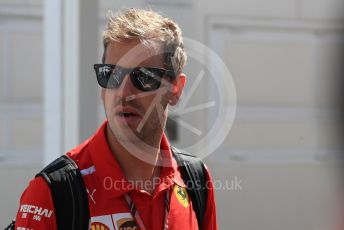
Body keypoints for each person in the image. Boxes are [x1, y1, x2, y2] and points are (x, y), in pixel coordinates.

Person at [14, 8, 217, 230]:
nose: (123, 92)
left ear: (175, 90)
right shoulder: (53, 191)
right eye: (111, 75)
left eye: (144, 77)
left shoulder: (195, 179)